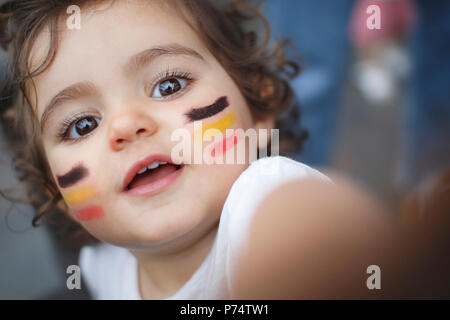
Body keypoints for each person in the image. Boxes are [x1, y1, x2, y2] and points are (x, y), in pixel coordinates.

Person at [0, 0, 395, 299]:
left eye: (168, 85)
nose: (125, 125)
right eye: (81, 125)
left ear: (258, 107)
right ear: (56, 192)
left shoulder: (264, 202)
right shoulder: (104, 269)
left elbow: (319, 229)